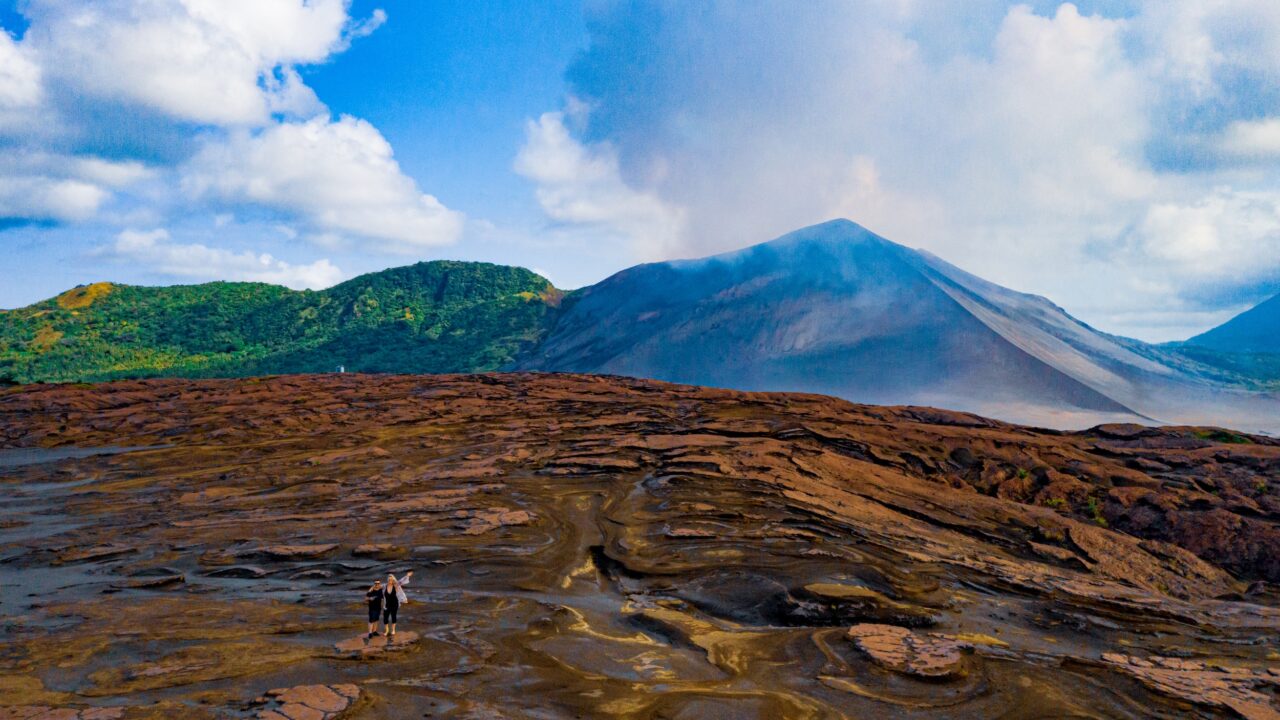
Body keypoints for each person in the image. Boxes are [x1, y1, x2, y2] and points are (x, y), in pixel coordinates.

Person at [381, 570, 413, 637]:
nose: (390, 580)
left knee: (393, 616)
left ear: (393, 580)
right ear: (387, 580)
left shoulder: (396, 585)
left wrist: (407, 576)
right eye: (389, 579)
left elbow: (401, 581)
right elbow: (377, 587)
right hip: (387, 604)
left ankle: (393, 630)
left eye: (391, 579)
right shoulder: (384, 586)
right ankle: (387, 630)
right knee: (385, 617)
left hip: (394, 603)